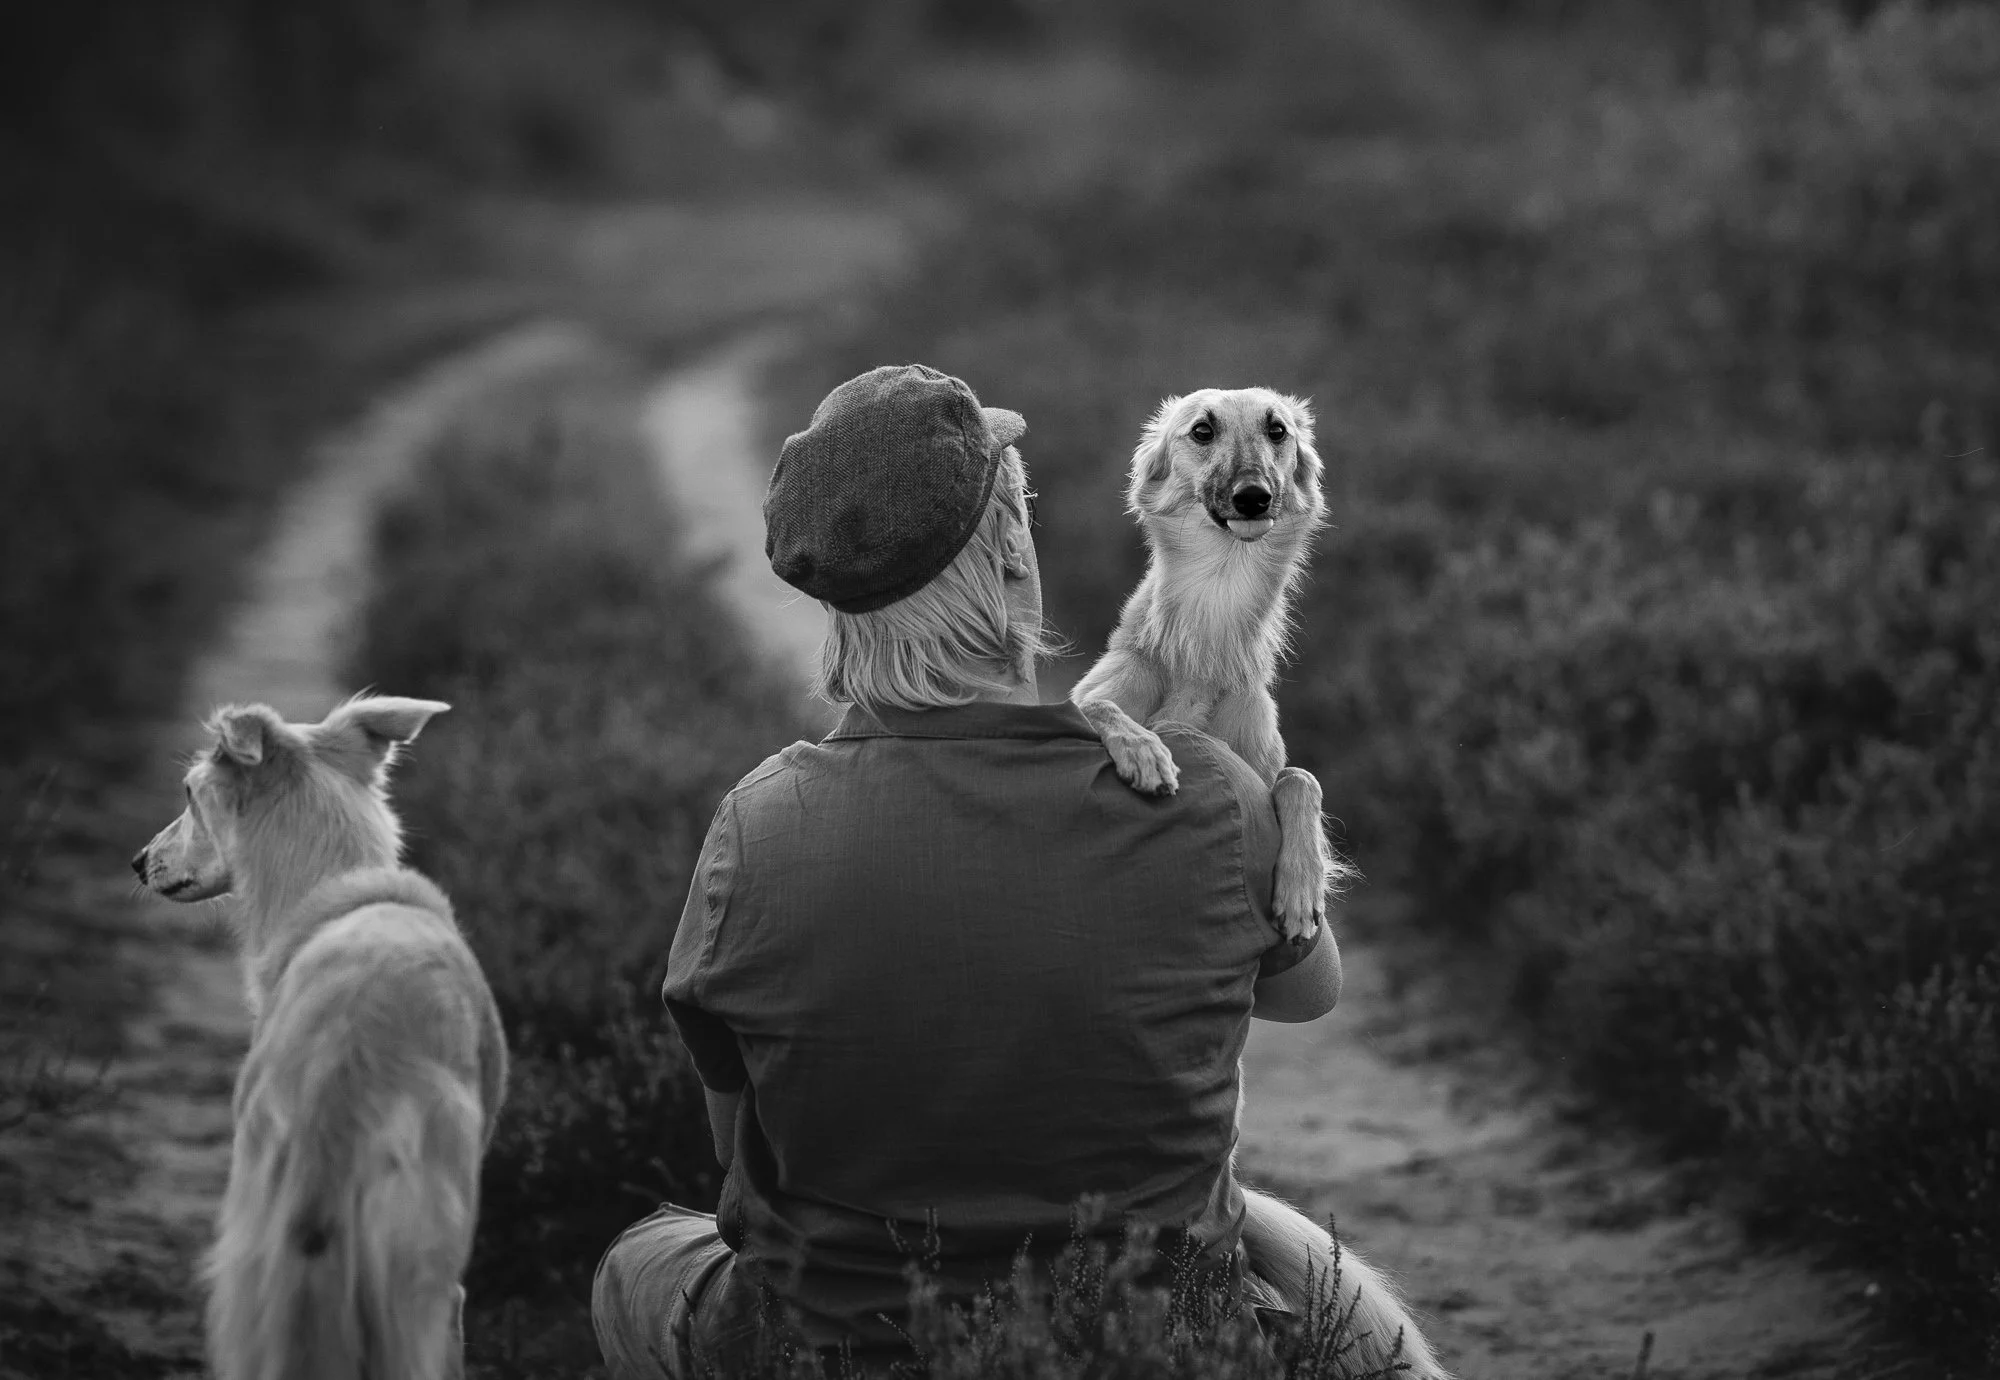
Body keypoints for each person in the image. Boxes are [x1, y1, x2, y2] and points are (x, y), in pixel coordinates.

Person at [592, 364, 1341, 1378]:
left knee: (632, 1264)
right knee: (1289, 1264)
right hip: (1147, 1344)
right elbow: (1307, 994)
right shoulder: (1209, 792)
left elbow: (741, 1174)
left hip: (855, 1350)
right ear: (1015, 570)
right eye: (1019, 514)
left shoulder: (754, 828)